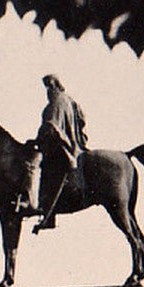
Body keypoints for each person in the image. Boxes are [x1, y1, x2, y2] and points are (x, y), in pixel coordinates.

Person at [33, 75, 88, 232]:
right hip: (73, 145)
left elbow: (51, 126)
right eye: (47, 87)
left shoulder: (56, 102)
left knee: (43, 170)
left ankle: (47, 214)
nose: (48, 90)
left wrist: (38, 141)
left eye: (50, 86)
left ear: (56, 85)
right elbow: (81, 120)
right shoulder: (69, 100)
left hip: (62, 147)